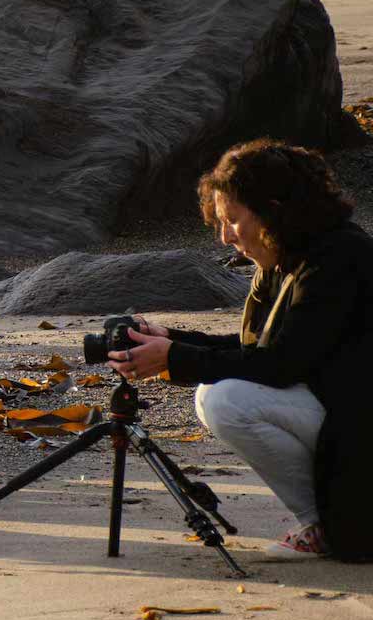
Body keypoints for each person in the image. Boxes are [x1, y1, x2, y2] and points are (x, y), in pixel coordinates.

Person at [106, 140, 373, 562]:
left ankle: (328, 526)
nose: (225, 236)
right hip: (341, 415)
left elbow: (282, 363)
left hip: (359, 430)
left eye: (232, 220)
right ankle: (329, 520)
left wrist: (173, 357)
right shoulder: (290, 256)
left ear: (273, 210)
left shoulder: (339, 257)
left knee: (226, 398)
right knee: (222, 391)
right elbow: (258, 348)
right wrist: (171, 338)